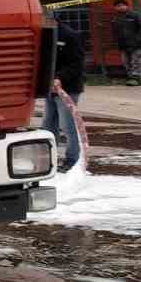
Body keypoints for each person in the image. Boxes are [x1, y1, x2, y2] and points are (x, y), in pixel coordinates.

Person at [44, 13, 86, 172]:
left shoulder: (70, 36)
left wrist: (60, 78)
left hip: (68, 88)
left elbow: (77, 63)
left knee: (67, 125)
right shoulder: (46, 34)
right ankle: (48, 157)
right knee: (48, 125)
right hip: (50, 87)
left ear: (52, 19)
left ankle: (72, 159)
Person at [114, 0, 141, 86]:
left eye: (122, 5)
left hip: (137, 44)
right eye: (118, 6)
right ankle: (130, 77)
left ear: (127, 6)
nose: (120, 7)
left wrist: (138, 40)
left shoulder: (135, 15)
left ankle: (136, 78)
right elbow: (115, 32)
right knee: (125, 61)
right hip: (123, 44)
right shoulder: (116, 18)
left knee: (136, 61)